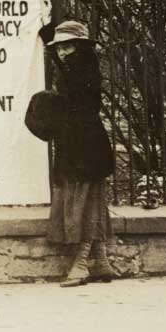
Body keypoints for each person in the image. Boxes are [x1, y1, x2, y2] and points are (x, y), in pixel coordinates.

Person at [40, 19, 115, 287]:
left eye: (67, 47)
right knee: (91, 201)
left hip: (83, 146)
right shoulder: (78, 66)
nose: (62, 52)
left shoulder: (84, 67)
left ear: (80, 47)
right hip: (82, 143)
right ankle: (102, 261)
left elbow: (72, 94)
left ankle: (82, 265)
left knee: (82, 203)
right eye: (58, 48)